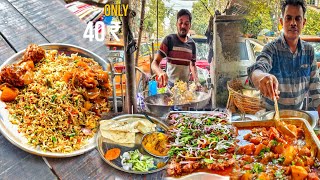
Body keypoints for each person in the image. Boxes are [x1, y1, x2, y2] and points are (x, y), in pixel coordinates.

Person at [247, 0, 320, 119]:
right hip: (271, 116)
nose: (293, 23)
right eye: (288, 18)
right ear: (281, 22)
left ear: (304, 22)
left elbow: (316, 88)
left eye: (297, 18)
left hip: (298, 116)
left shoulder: (309, 51)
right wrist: (260, 77)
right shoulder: (271, 48)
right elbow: (257, 69)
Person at [151, 9, 200, 88]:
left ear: (190, 26)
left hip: (185, 90)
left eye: (186, 24)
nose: (183, 26)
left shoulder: (192, 44)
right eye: (180, 22)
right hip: (170, 89)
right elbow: (154, 63)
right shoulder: (169, 40)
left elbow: (192, 65)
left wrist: (197, 82)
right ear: (176, 24)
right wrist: (160, 73)